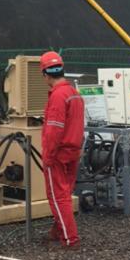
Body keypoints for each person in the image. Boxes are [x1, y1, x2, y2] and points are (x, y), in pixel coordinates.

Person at [40, 51, 84, 249]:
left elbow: (54, 129)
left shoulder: (57, 96)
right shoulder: (74, 94)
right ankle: (58, 231)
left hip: (58, 154)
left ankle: (69, 238)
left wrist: (48, 156)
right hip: (73, 151)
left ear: (45, 74)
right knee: (65, 192)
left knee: (58, 196)